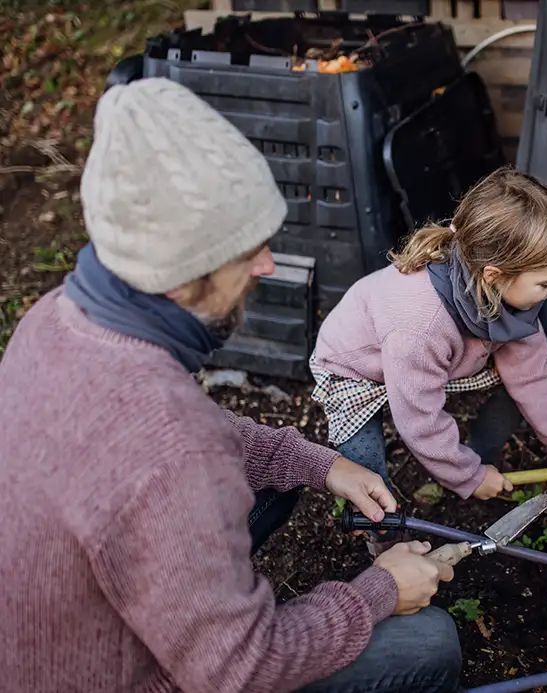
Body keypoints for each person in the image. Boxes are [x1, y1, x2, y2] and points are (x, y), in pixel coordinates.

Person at [0, 77, 460, 693]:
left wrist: (319, 463)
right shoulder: (170, 446)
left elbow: (187, 447)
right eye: (246, 250)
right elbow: (240, 670)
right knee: (431, 644)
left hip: (57, 631)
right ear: (180, 270)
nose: (267, 263)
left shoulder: (57, 318)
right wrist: (380, 591)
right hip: (121, 675)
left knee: (279, 479)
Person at [309, 167, 547, 554]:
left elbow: (533, 374)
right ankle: (387, 543)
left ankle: (481, 457)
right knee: (365, 469)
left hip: (433, 363)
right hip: (356, 370)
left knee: (515, 385)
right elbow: (420, 420)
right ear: (495, 275)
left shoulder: (504, 294)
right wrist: (467, 476)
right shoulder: (420, 325)